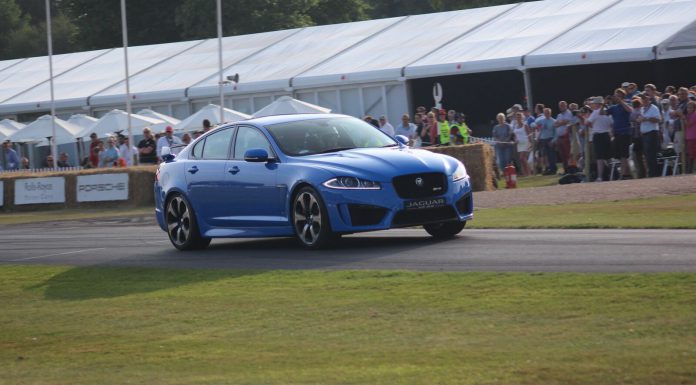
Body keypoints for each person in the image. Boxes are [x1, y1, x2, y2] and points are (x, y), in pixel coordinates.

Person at [607, 89, 634, 179]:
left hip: (625, 132)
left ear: (622, 96)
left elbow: (630, 110)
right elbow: (602, 113)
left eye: (618, 95)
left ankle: (623, 175)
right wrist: (604, 103)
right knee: (619, 155)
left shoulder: (626, 103)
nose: (616, 97)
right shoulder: (614, 107)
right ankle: (628, 174)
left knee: (624, 155)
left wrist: (621, 101)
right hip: (617, 133)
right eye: (616, 95)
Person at [587, 97, 613, 182]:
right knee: (608, 157)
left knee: (599, 157)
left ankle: (600, 176)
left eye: (594, 104)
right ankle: (612, 174)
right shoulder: (608, 112)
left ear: (598, 104)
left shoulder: (595, 112)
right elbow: (611, 124)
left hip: (598, 136)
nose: (593, 105)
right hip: (606, 135)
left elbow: (587, 122)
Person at [637, 93, 661, 178]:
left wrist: (646, 119)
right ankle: (651, 173)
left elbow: (658, 119)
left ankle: (653, 174)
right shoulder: (642, 109)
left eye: (646, 99)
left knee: (651, 155)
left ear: (649, 100)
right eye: (642, 99)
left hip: (652, 133)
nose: (644, 100)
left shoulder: (654, 108)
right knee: (647, 155)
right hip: (645, 135)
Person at [535, 107, 558, 175]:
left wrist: (553, 141)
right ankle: (547, 169)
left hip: (550, 139)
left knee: (551, 155)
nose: (547, 114)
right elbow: (534, 124)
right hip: (543, 139)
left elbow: (556, 133)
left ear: (550, 113)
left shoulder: (554, 121)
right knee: (544, 155)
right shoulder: (541, 121)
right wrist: (536, 127)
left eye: (548, 113)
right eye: (545, 113)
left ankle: (553, 169)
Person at [554, 101, 573, 172]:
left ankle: (570, 169)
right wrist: (561, 122)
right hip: (559, 137)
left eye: (563, 105)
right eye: (560, 106)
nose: (561, 107)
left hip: (566, 137)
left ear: (566, 106)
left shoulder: (568, 113)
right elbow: (555, 125)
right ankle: (566, 169)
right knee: (562, 155)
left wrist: (560, 123)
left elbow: (567, 122)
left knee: (568, 154)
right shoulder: (559, 115)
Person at [512, 112, 532, 176]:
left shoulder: (525, 125)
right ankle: (526, 173)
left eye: (519, 117)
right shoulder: (515, 126)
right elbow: (515, 136)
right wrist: (515, 140)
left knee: (522, 158)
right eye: (517, 117)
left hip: (526, 143)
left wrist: (530, 144)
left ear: (522, 117)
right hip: (519, 144)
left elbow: (529, 135)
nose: (518, 118)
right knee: (522, 160)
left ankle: (529, 173)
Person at [685, 101, 696, 173]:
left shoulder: (695, 114)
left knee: (692, 154)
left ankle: (690, 171)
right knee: (691, 154)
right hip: (689, 137)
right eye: (688, 107)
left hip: (693, 137)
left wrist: (683, 118)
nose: (688, 109)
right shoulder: (688, 115)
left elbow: (689, 124)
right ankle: (690, 171)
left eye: (690, 108)